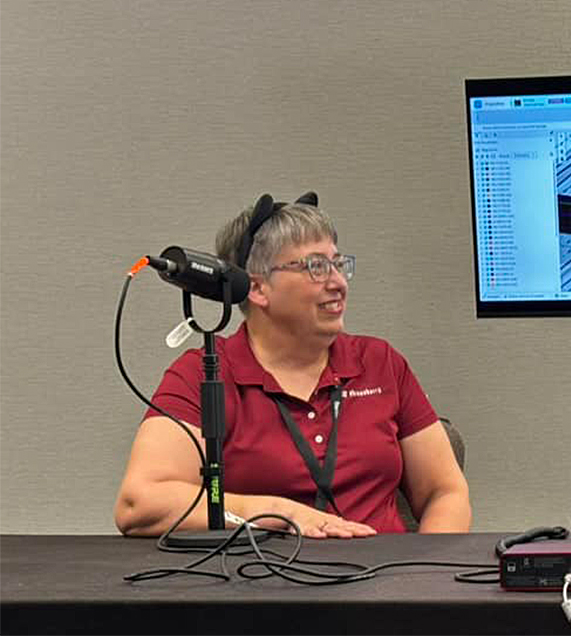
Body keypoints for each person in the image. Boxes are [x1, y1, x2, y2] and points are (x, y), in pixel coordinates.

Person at [115, 193, 470, 538]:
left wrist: (425, 578)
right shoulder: (204, 373)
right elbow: (140, 504)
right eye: (316, 267)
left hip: (386, 589)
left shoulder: (380, 363)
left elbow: (445, 492)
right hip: (263, 587)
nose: (339, 283)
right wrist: (279, 513)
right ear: (257, 288)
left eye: (339, 264)